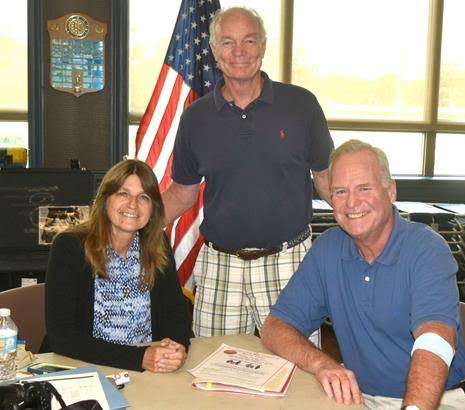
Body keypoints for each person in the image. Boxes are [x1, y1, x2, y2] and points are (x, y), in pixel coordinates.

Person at [261, 140, 465, 410]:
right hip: (358, 398)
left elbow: (435, 338)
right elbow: (275, 328)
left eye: (364, 188)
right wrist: (322, 364)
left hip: (438, 400)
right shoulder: (329, 248)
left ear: (391, 191)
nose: (352, 202)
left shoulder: (427, 249)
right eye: (340, 191)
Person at [162, 6, 333, 341]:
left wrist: (382, 228)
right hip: (220, 266)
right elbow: (181, 194)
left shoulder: (302, 106)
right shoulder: (195, 118)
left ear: (263, 47)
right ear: (213, 51)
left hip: (288, 264)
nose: (238, 52)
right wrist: (121, 229)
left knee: (297, 372)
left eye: (249, 41)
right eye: (227, 42)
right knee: (211, 374)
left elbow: (328, 182)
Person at [44, 159, 191, 373]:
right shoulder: (70, 247)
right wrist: (140, 358)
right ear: (105, 200)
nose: (133, 204)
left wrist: (176, 347)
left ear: (153, 208)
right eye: (123, 194)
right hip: (83, 367)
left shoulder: (157, 243)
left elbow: (175, 311)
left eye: (143, 197)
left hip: (147, 372)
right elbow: (61, 336)